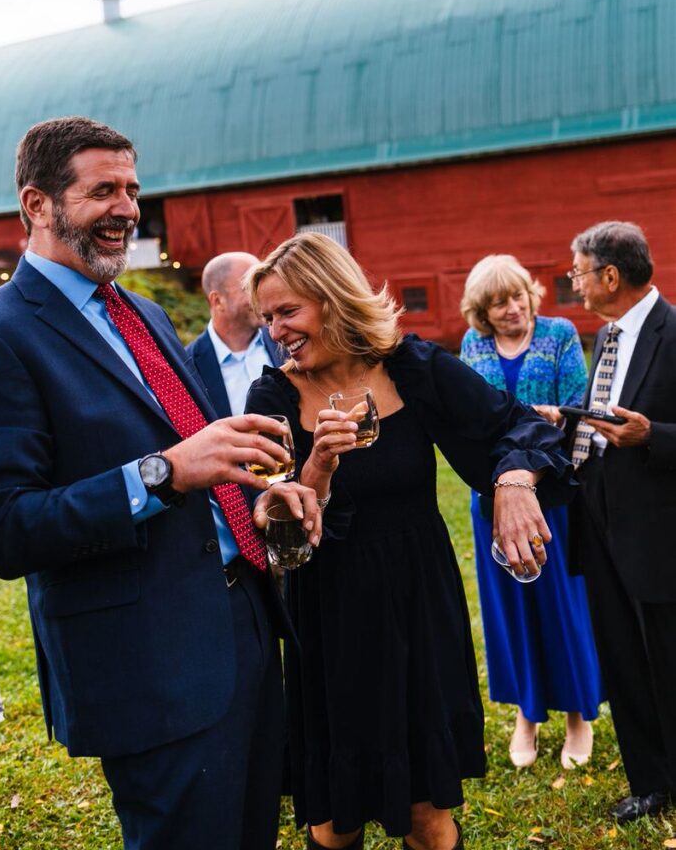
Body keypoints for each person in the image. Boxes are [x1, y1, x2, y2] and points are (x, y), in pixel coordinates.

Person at [0, 116, 322, 850]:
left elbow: (201, 453)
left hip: (242, 630)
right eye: (101, 191)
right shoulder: (4, 332)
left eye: (133, 190)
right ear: (37, 205)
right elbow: (8, 529)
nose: (127, 209)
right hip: (145, 664)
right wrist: (163, 474)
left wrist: (261, 496)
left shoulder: (139, 312)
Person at [243, 232, 572, 850]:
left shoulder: (411, 368)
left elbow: (516, 424)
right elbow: (274, 531)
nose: (276, 329)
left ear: (332, 298)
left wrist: (513, 480)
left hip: (419, 607)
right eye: (267, 317)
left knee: (427, 812)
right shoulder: (273, 398)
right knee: (335, 822)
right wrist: (316, 470)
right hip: (331, 616)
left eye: (288, 312)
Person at [460, 255, 602, 770]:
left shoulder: (560, 333)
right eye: (499, 302)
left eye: (518, 295)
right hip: (491, 497)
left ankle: (576, 717)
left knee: (560, 603)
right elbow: (466, 416)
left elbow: (577, 403)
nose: (513, 307)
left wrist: (554, 417)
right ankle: (527, 713)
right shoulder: (471, 345)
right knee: (512, 606)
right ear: (482, 311)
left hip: (551, 492)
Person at [567, 220, 676, 824]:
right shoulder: (605, 338)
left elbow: (644, 429)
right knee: (623, 659)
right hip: (600, 521)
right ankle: (651, 782)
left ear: (611, 275)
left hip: (660, 533)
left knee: (666, 656)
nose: (573, 281)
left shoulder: (674, 331)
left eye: (577, 270)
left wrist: (651, 435)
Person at [188, 252, 283, 418]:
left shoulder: (285, 341)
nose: (260, 297)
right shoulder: (188, 366)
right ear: (217, 301)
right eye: (249, 288)